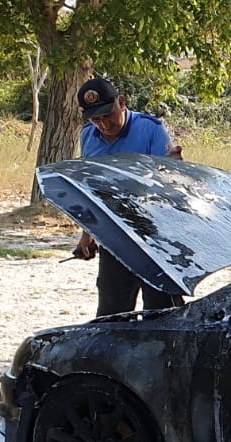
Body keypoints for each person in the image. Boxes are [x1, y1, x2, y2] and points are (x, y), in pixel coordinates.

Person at [70, 77, 186, 316]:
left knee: (162, 311)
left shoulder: (151, 129)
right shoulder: (88, 137)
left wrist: (174, 169)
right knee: (112, 313)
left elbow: (166, 184)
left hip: (156, 236)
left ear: (122, 103)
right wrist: (88, 234)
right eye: (95, 118)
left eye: (107, 114)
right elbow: (92, 189)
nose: (103, 124)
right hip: (115, 235)